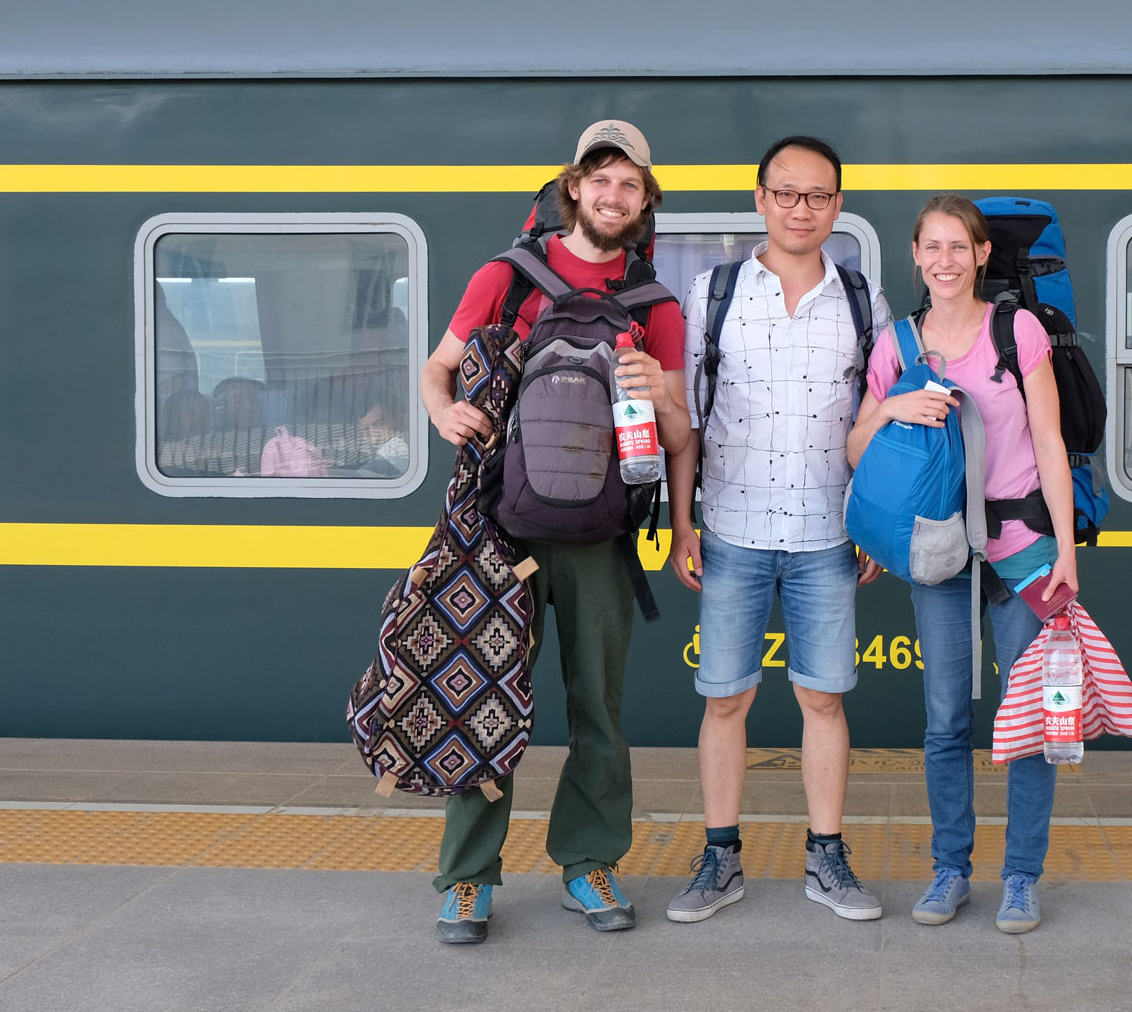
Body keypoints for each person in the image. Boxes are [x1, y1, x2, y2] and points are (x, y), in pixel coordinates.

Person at [420, 119, 691, 942]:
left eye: (630, 184)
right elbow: (439, 366)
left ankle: (590, 862)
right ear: (573, 186)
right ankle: (467, 878)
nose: (613, 195)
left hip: (603, 535)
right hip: (498, 530)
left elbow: (681, 434)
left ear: (644, 202)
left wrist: (683, 525)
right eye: (600, 178)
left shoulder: (657, 305)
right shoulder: (506, 275)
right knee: (485, 700)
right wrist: (442, 408)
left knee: (598, 710)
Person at [665, 136, 893, 924]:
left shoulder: (863, 301)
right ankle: (720, 859)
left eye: (820, 196)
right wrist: (683, 523)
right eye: (787, 193)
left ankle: (826, 858)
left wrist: (873, 520)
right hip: (730, 528)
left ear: (838, 205)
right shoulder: (714, 294)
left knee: (823, 703)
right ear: (760, 199)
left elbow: (878, 425)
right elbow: (689, 421)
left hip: (829, 534)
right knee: (725, 702)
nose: (803, 209)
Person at [846, 194, 1078, 934]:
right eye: (932, 247)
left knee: (1030, 721)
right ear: (915, 256)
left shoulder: (1019, 331)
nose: (945, 261)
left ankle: (1021, 878)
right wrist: (889, 411)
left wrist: (1068, 549)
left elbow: (1049, 444)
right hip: (939, 551)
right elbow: (855, 452)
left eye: (959, 247)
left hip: (1026, 548)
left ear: (981, 255)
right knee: (945, 719)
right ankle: (950, 871)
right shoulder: (897, 345)